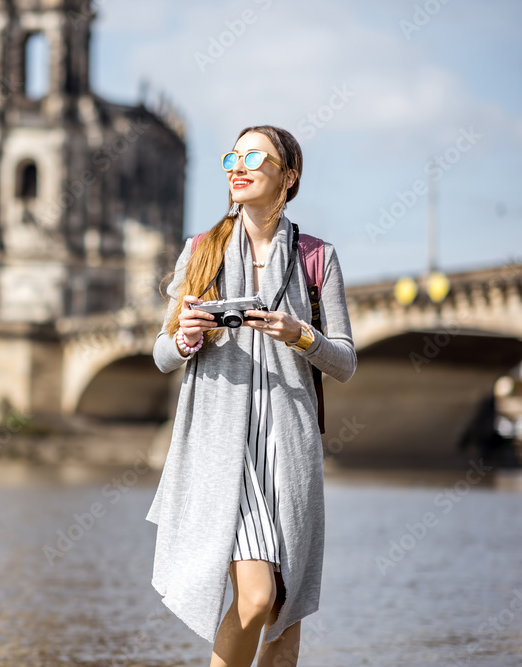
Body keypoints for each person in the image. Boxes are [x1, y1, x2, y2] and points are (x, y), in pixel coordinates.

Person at [145, 125, 357, 667]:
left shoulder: (317, 257)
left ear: (287, 178)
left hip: (288, 451)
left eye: (254, 157)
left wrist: (299, 334)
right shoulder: (202, 250)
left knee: (284, 621)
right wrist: (188, 337)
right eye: (232, 157)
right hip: (222, 451)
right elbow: (162, 353)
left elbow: (346, 361)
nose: (238, 166)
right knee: (259, 595)